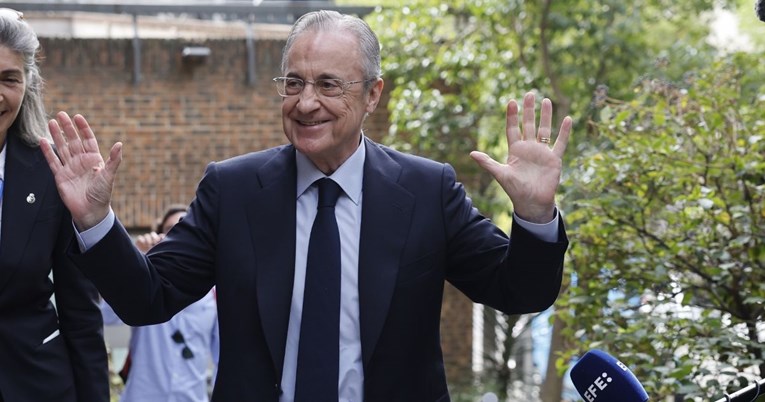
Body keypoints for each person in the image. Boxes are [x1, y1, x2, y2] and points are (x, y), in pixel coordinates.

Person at [40, 9, 572, 402]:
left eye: (328, 85)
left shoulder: (427, 191)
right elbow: (148, 298)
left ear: (373, 94)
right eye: (293, 83)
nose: (306, 102)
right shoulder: (233, 190)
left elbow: (519, 292)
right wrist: (96, 220)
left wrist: (534, 216)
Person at [0, 7, 109, 401]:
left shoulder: (53, 173)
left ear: (27, 84)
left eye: (9, 79)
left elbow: (80, 310)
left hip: (37, 384)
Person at [100, 204, 219, 402]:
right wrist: (134, 262)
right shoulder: (144, 283)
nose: (179, 236)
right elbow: (107, 317)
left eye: (184, 228)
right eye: (170, 230)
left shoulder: (214, 295)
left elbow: (221, 356)